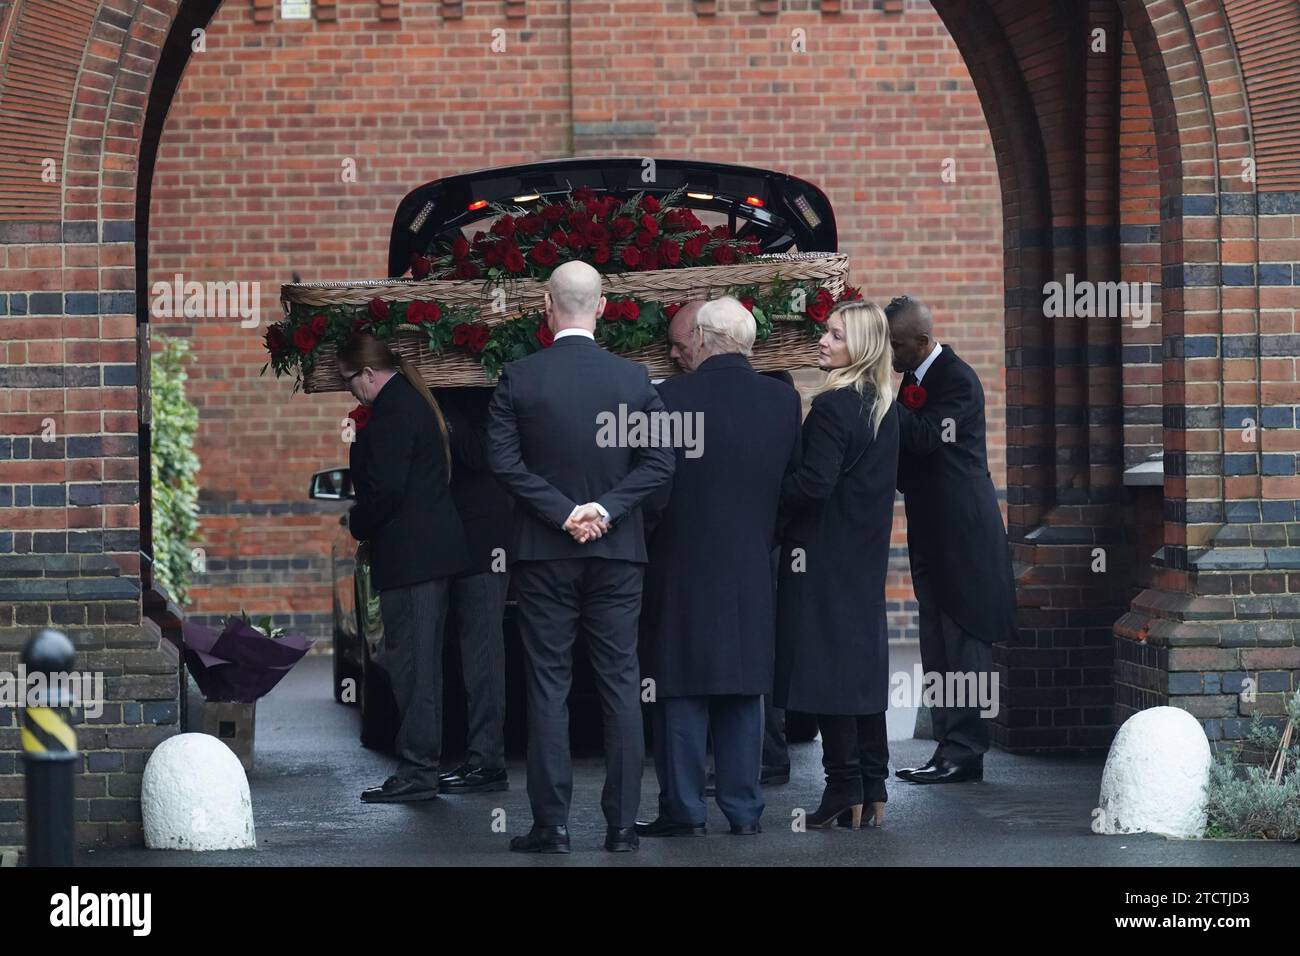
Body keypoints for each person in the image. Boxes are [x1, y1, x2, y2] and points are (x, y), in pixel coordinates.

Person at [488, 260, 675, 854]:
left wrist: (565, 513)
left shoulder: (519, 377)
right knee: (622, 683)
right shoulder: (633, 380)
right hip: (618, 552)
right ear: (602, 308)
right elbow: (661, 462)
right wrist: (604, 509)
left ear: (547, 306)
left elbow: (504, 463)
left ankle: (552, 826)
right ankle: (623, 827)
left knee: (548, 685)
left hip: (545, 552)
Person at [636, 297, 802, 838]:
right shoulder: (782, 401)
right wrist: (764, 537)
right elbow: (793, 487)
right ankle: (744, 810)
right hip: (751, 562)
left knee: (680, 686)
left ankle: (684, 810)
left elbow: (653, 492)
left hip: (680, 562)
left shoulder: (669, 398)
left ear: (703, 338)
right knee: (744, 687)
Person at [775, 301, 899, 829]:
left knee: (829, 674)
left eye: (836, 335)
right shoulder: (884, 406)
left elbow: (813, 485)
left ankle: (844, 786)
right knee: (861, 673)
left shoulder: (832, 407)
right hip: (864, 557)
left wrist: (770, 497)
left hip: (822, 556)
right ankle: (872, 787)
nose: (823, 341)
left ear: (862, 347)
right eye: (826, 332)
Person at [886, 295, 1017, 785]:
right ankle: (947, 746)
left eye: (896, 345)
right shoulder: (914, 378)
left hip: (963, 530)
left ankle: (966, 750)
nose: (890, 354)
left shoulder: (957, 379)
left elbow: (925, 438)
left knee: (964, 640)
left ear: (922, 341)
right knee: (937, 642)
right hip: (930, 528)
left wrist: (879, 397)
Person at [340, 333, 469, 804]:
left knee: (412, 668)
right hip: (426, 555)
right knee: (420, 665)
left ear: (367, 374)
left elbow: (384, 490)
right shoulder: (411, 401)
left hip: (413, 558)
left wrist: (357, 522)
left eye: (349, 381)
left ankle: (418, 770)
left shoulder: (394, 411)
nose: (350, 391)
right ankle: (420, 766)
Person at [434, 387, 513, 794]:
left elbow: (478, 453)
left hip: (483, 540)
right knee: (461, 653)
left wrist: (439, 403)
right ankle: (471, 755)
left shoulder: (485, 391)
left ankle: (487, 761)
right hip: (448, 536)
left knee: (482, 654)